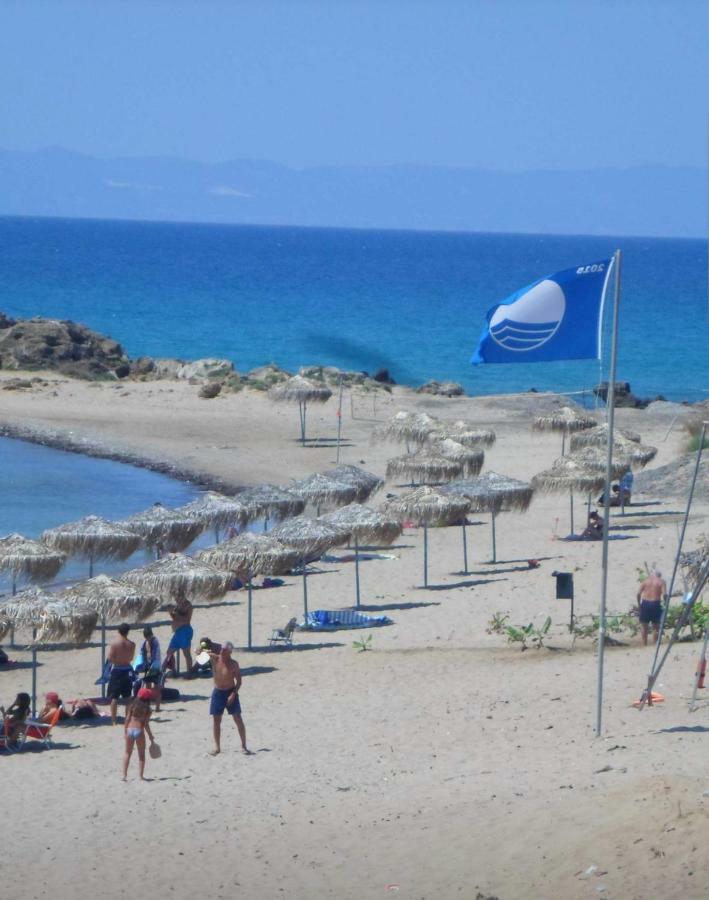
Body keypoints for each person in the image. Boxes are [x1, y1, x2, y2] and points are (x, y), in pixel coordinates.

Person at [208, 641, 249, 756]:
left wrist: (233, 694)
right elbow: (202, 655)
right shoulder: (215, 659)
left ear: (230, 652)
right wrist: (200, 651)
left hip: (230, 691)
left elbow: (239, 682)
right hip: (218, 692)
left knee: (237, 718)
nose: (222, 651)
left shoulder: (233, 664)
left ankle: (244, 745)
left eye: (224, 650)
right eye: (222, 649)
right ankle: (217, 747)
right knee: (216, 719)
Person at [122, 687, 156, 781]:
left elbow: (127, 719)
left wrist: (125, 731)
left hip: (130, 730)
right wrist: (150, 736)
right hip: (139, 731)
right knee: (141, 754)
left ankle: (124, 775)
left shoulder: (132, 706)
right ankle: (141, 776)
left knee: (127, 753)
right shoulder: (148, 710)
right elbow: (146, 724)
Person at [107, 623, 136, 725]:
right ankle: (127, 719)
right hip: (127, 669)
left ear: (119, 631)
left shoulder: (115, 644)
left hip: (117, 670)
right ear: (128, 632)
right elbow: (131, 658)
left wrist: (117, 661)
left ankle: (114, 720)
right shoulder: (132, 644)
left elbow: (110, 658)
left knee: (114, 697)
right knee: (128, 697)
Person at [637, 569, 668, 646]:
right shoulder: (661, 582)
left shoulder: (645, 581)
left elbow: (638, 593)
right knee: (656, 626)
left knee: (644, 626)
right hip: (655, 603)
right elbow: (664, 594)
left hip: (645, 603)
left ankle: (644, 644)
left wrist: (639, 604)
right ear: (659, 576)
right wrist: (666, 603)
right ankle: (655, 644)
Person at [167, 593, 194, 674]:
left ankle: (189, 672)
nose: (175, 599)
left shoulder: (187, 605)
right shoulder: (178, 606)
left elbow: (186, 619)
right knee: (169, 652)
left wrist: (177, 612)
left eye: (177, 597)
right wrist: (171, 613)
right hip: (178, 632)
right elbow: (175, 618)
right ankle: (174, 671)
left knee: (186, 653)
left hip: (185, 631)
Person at [139, 626, 163, 712]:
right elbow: (142, 653)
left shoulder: (155, 642)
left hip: (155, 667)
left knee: (156, 688)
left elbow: (155, 655)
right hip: (148, 666)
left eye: (148, 636)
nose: (148, 638)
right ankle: (147, 706)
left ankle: (157, 707)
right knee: (147, 687)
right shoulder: (144, 643)